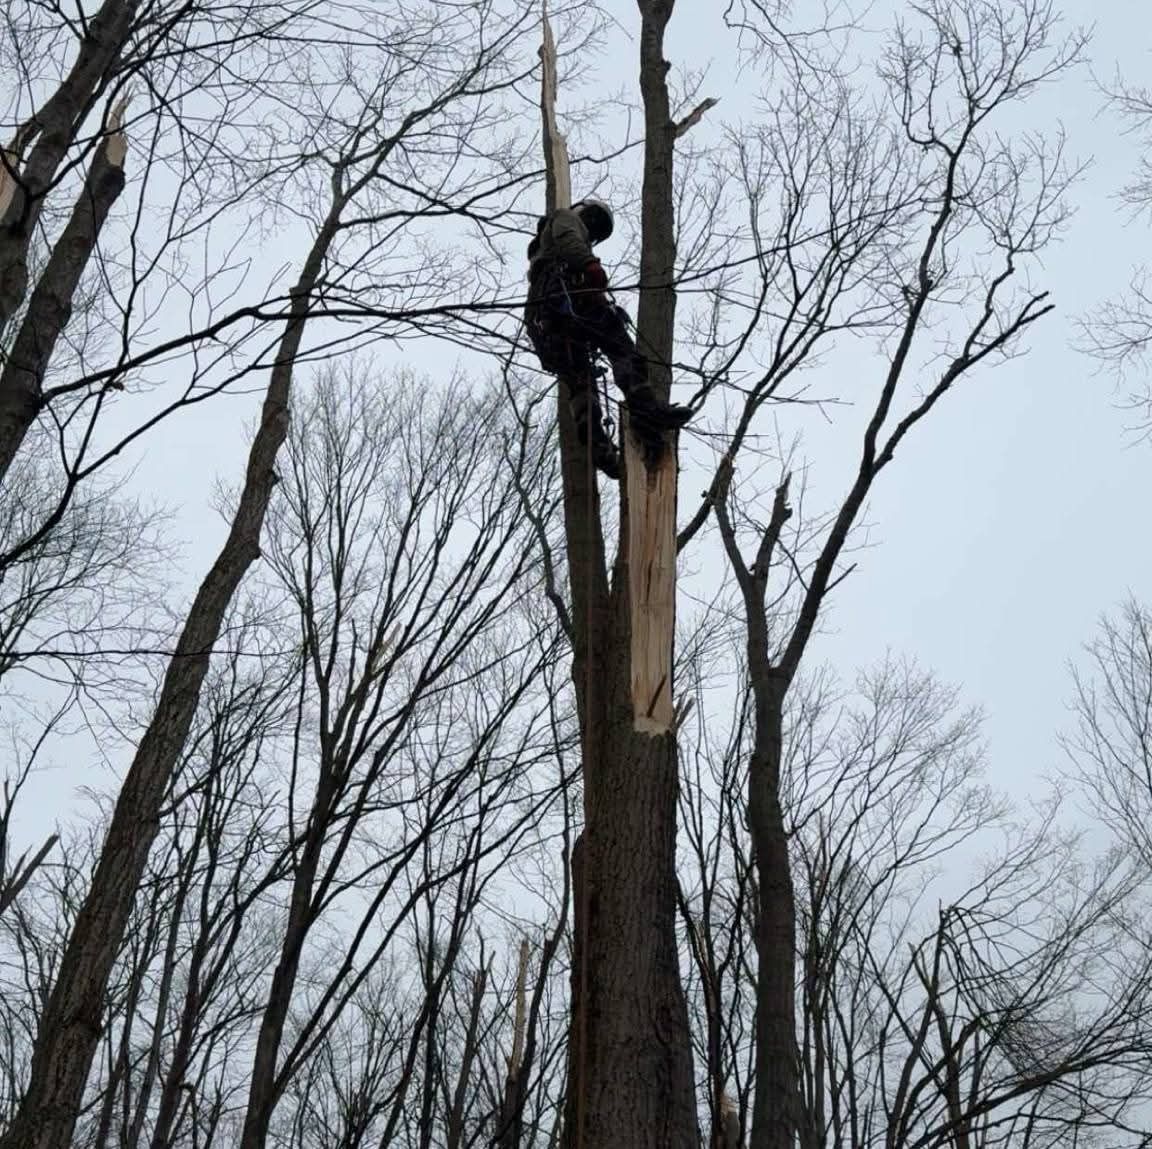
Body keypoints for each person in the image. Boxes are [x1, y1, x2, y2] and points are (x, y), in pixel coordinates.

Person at [523, 198, 691, 478]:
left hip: (545, 326)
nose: (593, 231)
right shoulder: (564, 219)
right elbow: (569, 238)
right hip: (566, 304)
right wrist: (591, 266)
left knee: (580, 380)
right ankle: (646, 409)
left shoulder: (541, 260)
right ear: (583, 212)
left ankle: (597, 445)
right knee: (619, 342)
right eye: (594, 224)